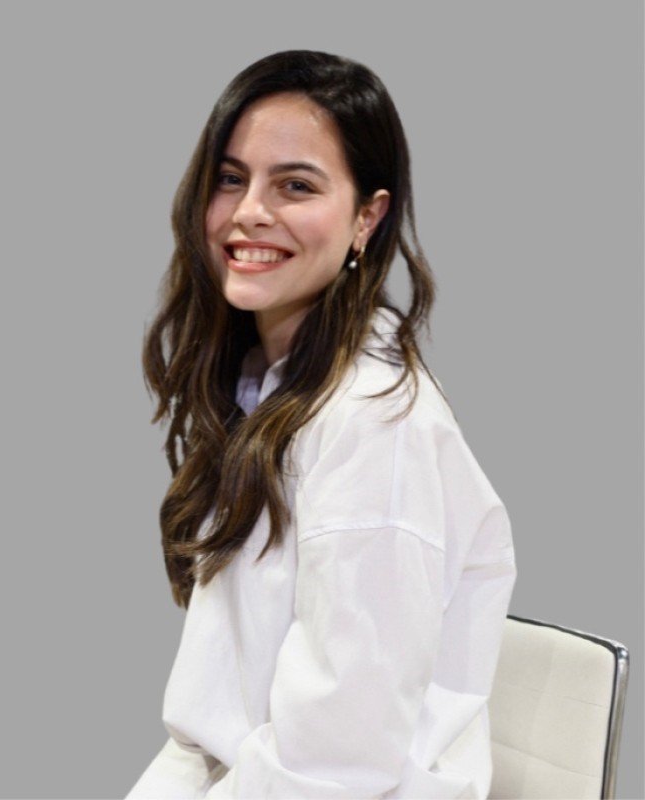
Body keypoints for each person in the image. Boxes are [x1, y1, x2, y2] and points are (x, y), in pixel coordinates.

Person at [126, 50, 517, 800]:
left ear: (368, 216)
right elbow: (210, 729)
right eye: (231, 178)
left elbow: (334, 767)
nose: (248, 211)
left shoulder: (375, 424)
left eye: (295, 185)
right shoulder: (270, 389)